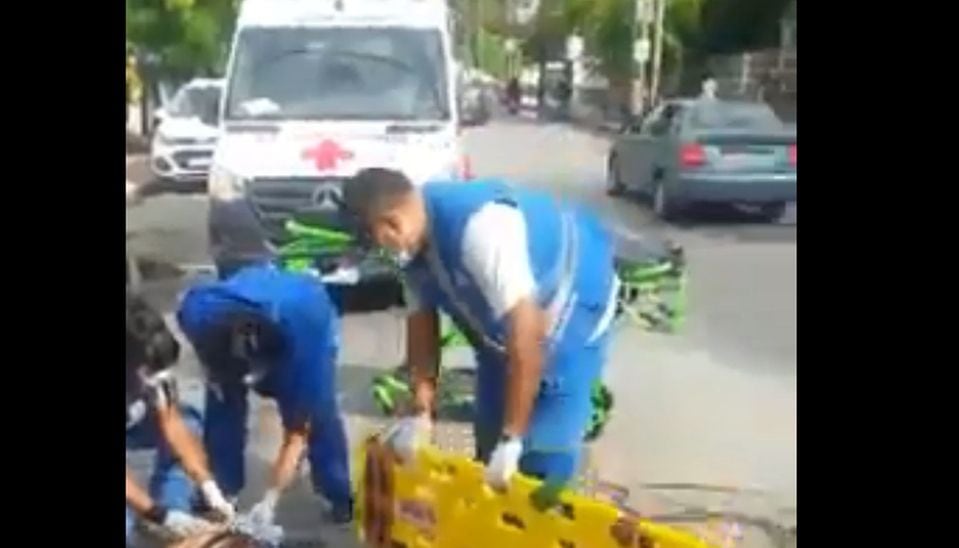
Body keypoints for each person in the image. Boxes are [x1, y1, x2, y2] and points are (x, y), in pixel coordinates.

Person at [343, 168, 619, 490]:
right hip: (501, 330)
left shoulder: (482, 229)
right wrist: (420, 408)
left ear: (393, 223)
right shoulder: (411, 246)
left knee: (541, 457)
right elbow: (421, 320)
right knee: (488, 440)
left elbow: (527, 335)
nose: (379, 252)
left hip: (573, 307)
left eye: (377, 241)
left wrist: (513, 438)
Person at [176, 264, 354, 527]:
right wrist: (210, 487)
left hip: (305, 312)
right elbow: (218, 375)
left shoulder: (304, 349)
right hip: (252, 293)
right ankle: (222, 488)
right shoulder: (198, 312)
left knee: (318, 414)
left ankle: (336, 492)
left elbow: (297, 435)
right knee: (222, 403)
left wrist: (271, 499)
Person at [126, 291, 236, 546]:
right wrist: (157, 513)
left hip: (134, 418)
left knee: (189, 421)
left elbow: (174, 424)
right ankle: (157, 516)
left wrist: (209, 486)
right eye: (147, 372)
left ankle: (172, 512)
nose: (154, 380)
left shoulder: (150, 366)